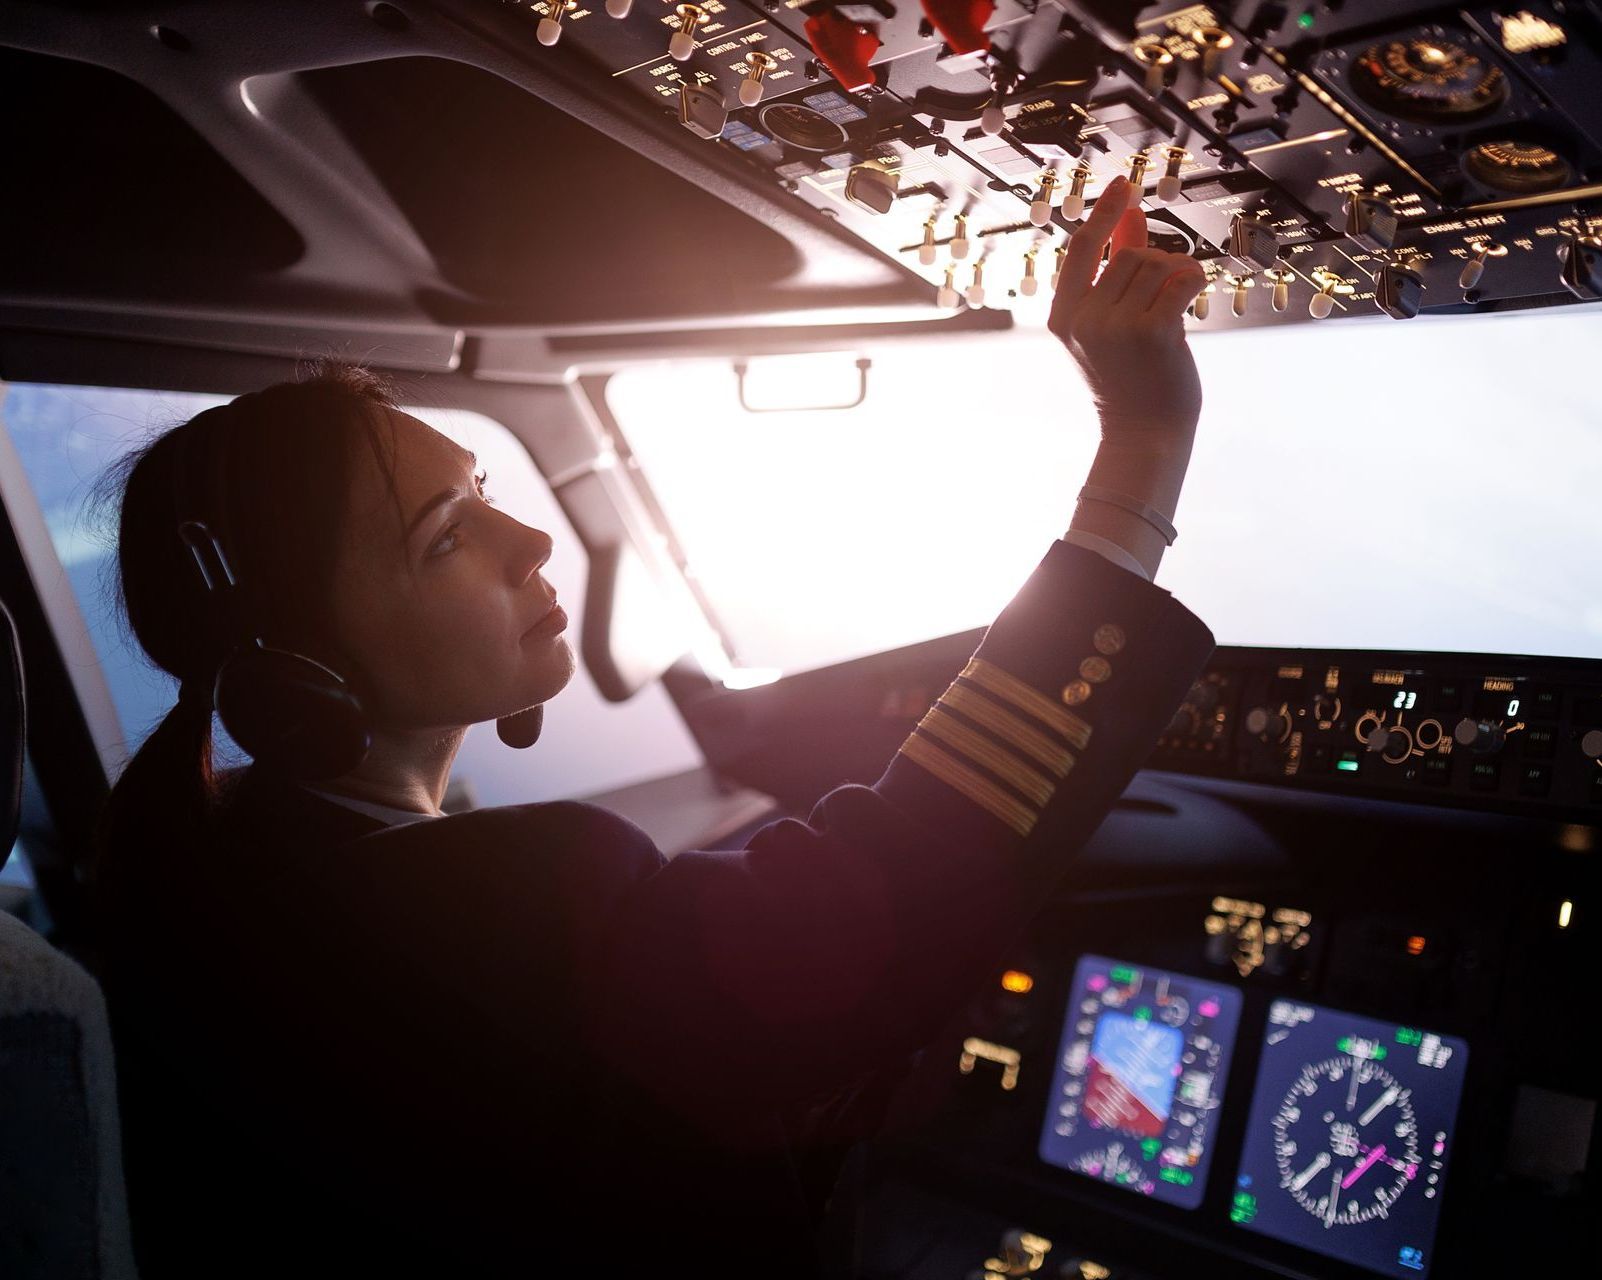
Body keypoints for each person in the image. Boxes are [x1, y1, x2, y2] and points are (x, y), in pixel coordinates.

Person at [87, 175, 1211, 1277]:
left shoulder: (206, 878)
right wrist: (1142, 443)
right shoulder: (497, 899)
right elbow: (872, 925)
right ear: (300, 680)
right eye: (444, 536)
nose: (526, 537)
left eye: (483, 488)